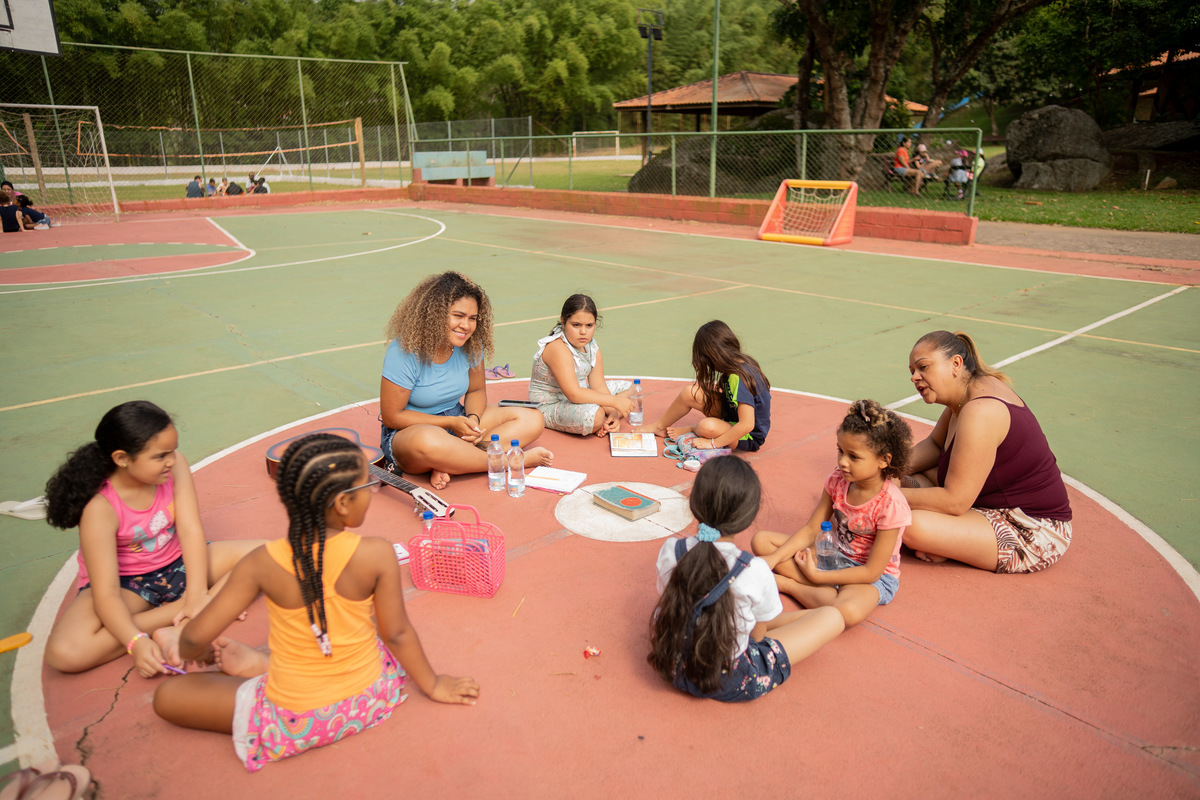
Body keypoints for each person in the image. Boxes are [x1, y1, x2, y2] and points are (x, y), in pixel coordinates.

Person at [152, 433, 479, 771]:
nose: (370, 492)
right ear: (341, 504)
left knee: (167, 698)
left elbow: (192, 641)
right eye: (367, 485)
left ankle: (255, 667)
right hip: (370, 697)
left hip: (293, 719)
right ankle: (256, 666)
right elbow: (397, 634)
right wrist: (434, 683)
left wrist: (200, 650)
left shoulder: (260, 563)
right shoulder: (377, 553)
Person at [42, 401, 263, 675]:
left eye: (172, 450)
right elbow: (107, 593)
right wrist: (135, 643)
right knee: (65, 653)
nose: (171, 460)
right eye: (160, 456)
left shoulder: (176, 465)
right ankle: (194, 609)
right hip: (128, 584)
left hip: (179, 564)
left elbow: (191, 530)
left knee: (273, 554)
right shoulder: (100, 507)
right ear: (122, 458)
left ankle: (190, 614)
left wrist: (195, 592)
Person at [648, 457, 844, 702]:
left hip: (674, 662)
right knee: (833, 616)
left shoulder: (671, 549)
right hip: (728, 678)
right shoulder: (755, 569)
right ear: (748, 518)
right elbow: (757, 638)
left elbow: (669, 599)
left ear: (694, 504)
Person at [899, 330, 1072, 573]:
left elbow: (955, 501)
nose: (915, 377)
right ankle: (950, 542)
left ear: (956, 364)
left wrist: (880, 493)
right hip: (986, 505)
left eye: (923, 367)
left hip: (1030, 530)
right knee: (903, 480)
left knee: (910, 525)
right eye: (912, 371)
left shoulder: (981, 411)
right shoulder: (965, 395)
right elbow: (936, 446)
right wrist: (883, 469)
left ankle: (949, 544)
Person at [380, 271, 552, 490]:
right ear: (435, 314)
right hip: (410, 431)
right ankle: (509, 461)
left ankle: (452, 460)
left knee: (532, 418)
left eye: (473, 318)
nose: (466, 325)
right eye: (458, 316)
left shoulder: (471, 345)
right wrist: (450, 424)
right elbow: (392, 416)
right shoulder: (404, 350)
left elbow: (476, 391)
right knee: (428, 440)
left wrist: (472, 420)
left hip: (456, 419)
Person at [751, 400, 913, 627]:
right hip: (834, 556)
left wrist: (818, 577)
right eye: (840, 451)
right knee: (763, 541)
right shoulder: (838, 480)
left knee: (847, 611)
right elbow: (811, 529)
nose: (842, 462)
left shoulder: (891, 506)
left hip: (870, 578)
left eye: (853, 457)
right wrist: (773, 559)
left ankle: (789, 585)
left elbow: (871, 571)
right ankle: (822, 590)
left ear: (884, 460)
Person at [639, 320, 770, 451]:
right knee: (689, 393)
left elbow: (747, 424)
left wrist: (713, 443)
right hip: (732, 414)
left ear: (713, 356)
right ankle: (660, 426)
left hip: (748, 435)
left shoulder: (739, 377)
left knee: (706, 427)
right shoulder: (737, 364)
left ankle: (692, 428)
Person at [528, 294, 633, 436]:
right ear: (563, 322)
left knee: (633, 389)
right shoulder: (557, 348)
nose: (583, 332)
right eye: (576, 325)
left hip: (580, 394)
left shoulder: (592, 347)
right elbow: (573, 394)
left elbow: (599, 387)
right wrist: (615, 402)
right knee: (596, 416)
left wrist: (614, 414)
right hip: (551, 406)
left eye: (589, 325)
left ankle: (607, 421)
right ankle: (600, 419)